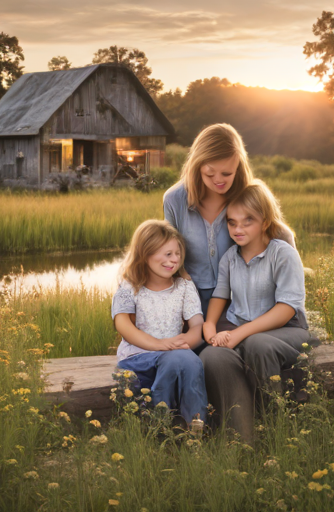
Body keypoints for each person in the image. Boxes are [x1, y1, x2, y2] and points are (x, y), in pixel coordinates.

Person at [163, 123, 296, 440]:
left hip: (237, 306)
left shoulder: (244, 196)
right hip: (192, 308)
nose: (220, 181)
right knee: (186, 359)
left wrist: (289, 261)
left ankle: (251, 432)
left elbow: (276, 231)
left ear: (239, 167)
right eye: (211, 174)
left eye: (229, 173)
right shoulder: (175, 200)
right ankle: (200, 433)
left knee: (226, 355)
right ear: (197, 166)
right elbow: (170, 256)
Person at [203, 180, 315, 392]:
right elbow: (220, 295)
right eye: (232, 222)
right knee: (211, 354)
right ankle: (235, 416)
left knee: (256, 344)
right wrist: (209, 326)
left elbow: (286, 309)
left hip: (288, 330)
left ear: (265, 222)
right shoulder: (229, 258)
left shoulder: (282, 253)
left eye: (248, 221)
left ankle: (275, 413)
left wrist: (240, 334)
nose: (238, 229)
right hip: (241, 329)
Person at [111, 219, 207, 424]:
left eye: (177, 254)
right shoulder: (130, 286)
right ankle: (161, 423)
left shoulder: (184, 287)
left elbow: (197, 327)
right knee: (176, 359)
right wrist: (161, 345)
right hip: (138, 358)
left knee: (187, 360)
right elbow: (123, 325)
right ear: (145, 253)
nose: (173, 260)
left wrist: (181, 344)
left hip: (175, 354)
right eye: (167, 254)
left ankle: (195, 426)